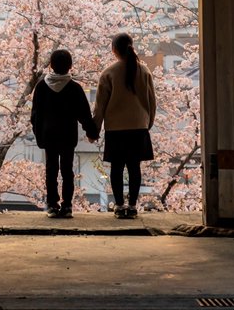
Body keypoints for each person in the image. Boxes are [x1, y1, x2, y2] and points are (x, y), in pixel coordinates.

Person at [93, 32, 156, 219]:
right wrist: (147, 123)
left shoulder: (108, 73)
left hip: (116, 129)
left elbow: (100, 106)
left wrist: (95, 129)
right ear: (131, 46)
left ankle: (119, 206)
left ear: (114, 50)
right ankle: (133, 205)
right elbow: (152, 102)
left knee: (117, 169)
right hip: (139, 126)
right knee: (134, 168)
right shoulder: (144, 71)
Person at [30, 48, 98, 218]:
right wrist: (92, 132)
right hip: (68, 135)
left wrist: (39, 133)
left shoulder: (41, 87)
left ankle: (52, 206)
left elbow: (35, 115)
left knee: (51, 169)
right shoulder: (74, 88)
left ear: (51, 65)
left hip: (49, 135)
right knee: (67, 170)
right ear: (70, 66)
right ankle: (67, 206)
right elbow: (84, 114)